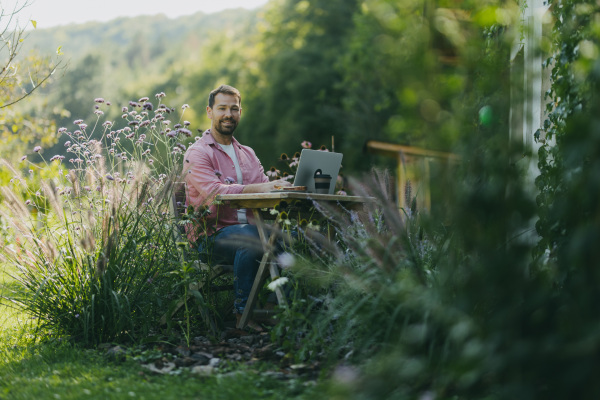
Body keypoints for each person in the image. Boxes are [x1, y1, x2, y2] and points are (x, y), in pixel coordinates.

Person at [183, 84, 291, 330]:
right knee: (252, 238)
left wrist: (287, 188)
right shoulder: (197, 153)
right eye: (222, 108)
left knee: (293, 238)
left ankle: (274, 308)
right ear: (209, 112)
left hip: (253, 230)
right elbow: (214, 193)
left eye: (234, 109)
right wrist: (261, 189)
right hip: (211, 237)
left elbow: (265, 188)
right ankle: (243, 313)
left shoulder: (248, 154)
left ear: (240, 112)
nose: (228, 114)